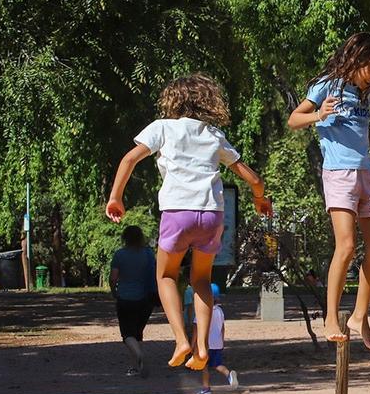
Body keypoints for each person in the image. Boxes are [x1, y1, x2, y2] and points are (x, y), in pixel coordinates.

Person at [107, 74, 272, 371]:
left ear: (173, 100)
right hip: (211, 215)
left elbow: (129, 159)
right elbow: (254, 179)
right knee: (201, 280)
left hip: (177, 213)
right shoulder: (213, 134)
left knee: (166, 276)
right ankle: (202, 347)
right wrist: (260, 199)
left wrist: (116, 197)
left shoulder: (162, 128)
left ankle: (181, 340)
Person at [287, 32, 370, 354]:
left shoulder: (364, 94)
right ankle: (331, 318)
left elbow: (365, 131)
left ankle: (360, 316)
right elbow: (294, 120)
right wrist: (320, 115)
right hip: (339, 174)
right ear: (357, 60)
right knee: (346, 246)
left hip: (366, 173)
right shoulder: (326, 86)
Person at [110, 225, 157, 377]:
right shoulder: (149, 254)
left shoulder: (120, 255)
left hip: (125, 298)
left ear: (125, 238)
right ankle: (135, 366)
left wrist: (114, 291)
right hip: (145, 299)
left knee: (127, 334)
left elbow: (113, 278)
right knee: (137, 333)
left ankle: (139, 357)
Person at [196, 288, 238, 394]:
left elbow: (196, 329)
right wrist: (222, 341)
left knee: (204, 366)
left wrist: (193, 345)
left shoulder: (202, 311)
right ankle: (229, 375)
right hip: (218, 343)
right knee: (217, 364)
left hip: (206, 343)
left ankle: (206, 388)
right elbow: (223, 328)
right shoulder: (220, 311)